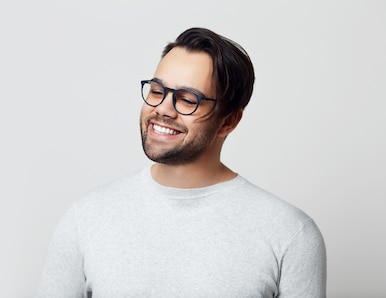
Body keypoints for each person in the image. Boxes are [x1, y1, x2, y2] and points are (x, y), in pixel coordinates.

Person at [36, 27, 326, 297]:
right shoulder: (85, 218)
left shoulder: (290, 233)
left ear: (229, 121)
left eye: (188, 99)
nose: (162, 109)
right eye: (157, 91)